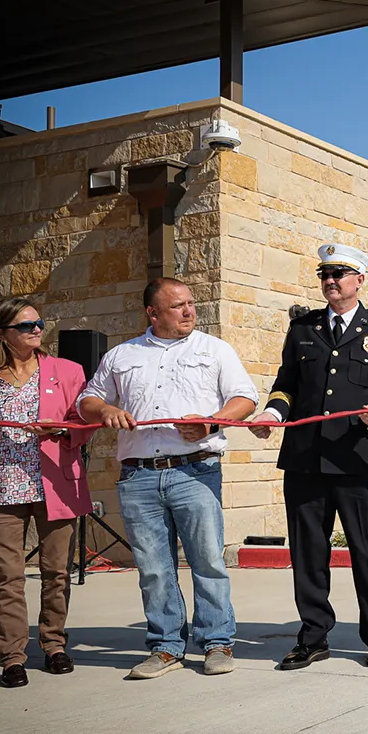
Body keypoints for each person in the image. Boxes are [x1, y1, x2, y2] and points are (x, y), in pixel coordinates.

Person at [78, 278, 257, 678]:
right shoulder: (122, 355)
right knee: (154, 568)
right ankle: (166, 647)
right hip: (138, 477)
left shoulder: (214, 350)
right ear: (152, 313)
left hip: (196, 470)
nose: (189, 311)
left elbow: (245, 397)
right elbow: (87, 400)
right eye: (177, 306)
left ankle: (217, 643)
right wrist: (104, 412)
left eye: (191, 303)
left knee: (208, 560)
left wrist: (212, 424)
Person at [250, 244, 368, 669]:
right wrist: (271, 411)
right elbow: (287, 384)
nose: (330, 280)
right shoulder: (303, 328)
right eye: (325, 274)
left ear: (360, 280)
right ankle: (314, 636)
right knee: (308, 553)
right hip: (305, 459)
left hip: (359, 457)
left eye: (339, 273)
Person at [0, 299, 94, 688]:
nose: (37, 329)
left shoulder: (66, 371)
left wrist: (63, 430)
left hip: (54, 484)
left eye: (39, 322)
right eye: (25, 325)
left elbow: (86, 420)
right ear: (2, 333)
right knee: (6, 577)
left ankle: (53, 645)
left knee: (56, 572)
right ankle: (12, 656)